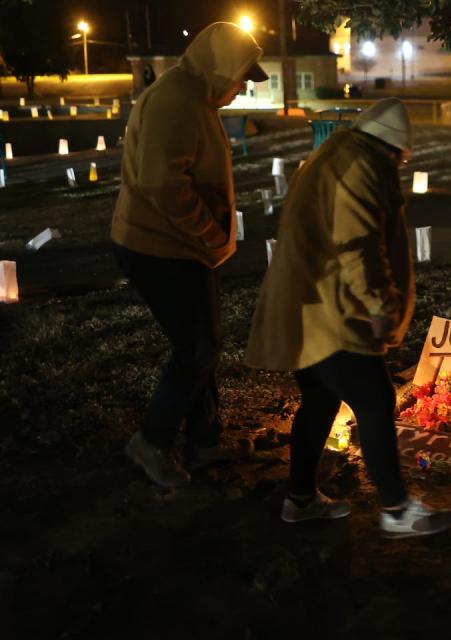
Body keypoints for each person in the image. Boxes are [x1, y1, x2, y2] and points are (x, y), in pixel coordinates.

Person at [244, 98, 451, 539]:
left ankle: (300, 499)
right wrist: (378, 306)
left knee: (320, 400)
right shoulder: (361, 166)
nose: (401, 163)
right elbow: (357, 242)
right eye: (401, 156)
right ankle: (397, 509)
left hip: (308, 305)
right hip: (332, 309)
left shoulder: (335, 157)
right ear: (393, 148)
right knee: (376, 400)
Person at [112, 22, 269, 489]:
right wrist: (209, 234)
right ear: (220, 68)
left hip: (182, 247)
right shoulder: (176, 102)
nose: (242, 90)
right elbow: (164, 185)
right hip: (159, 247)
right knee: (197, 348)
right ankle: (152, 441)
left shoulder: (193, 97)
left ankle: (203, 441)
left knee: (202, 344)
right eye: (241, 78)